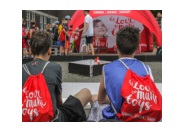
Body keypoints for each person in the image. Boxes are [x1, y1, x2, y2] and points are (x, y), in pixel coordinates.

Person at [88, 26, 154, 121]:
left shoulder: (107, 69)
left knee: (94, 97)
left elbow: (101, 99)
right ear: (137, 48)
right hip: (141, 117)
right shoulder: (147, 69)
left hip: (118, 118)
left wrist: (113, 101)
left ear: (116, 47)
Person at [22, 31, 92, 122]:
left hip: (25, 118)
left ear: (30, 50)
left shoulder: (21, 68)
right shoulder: (55, 67)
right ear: (49, 51)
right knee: (86, 92)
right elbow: (59, 103)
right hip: (52, 119)